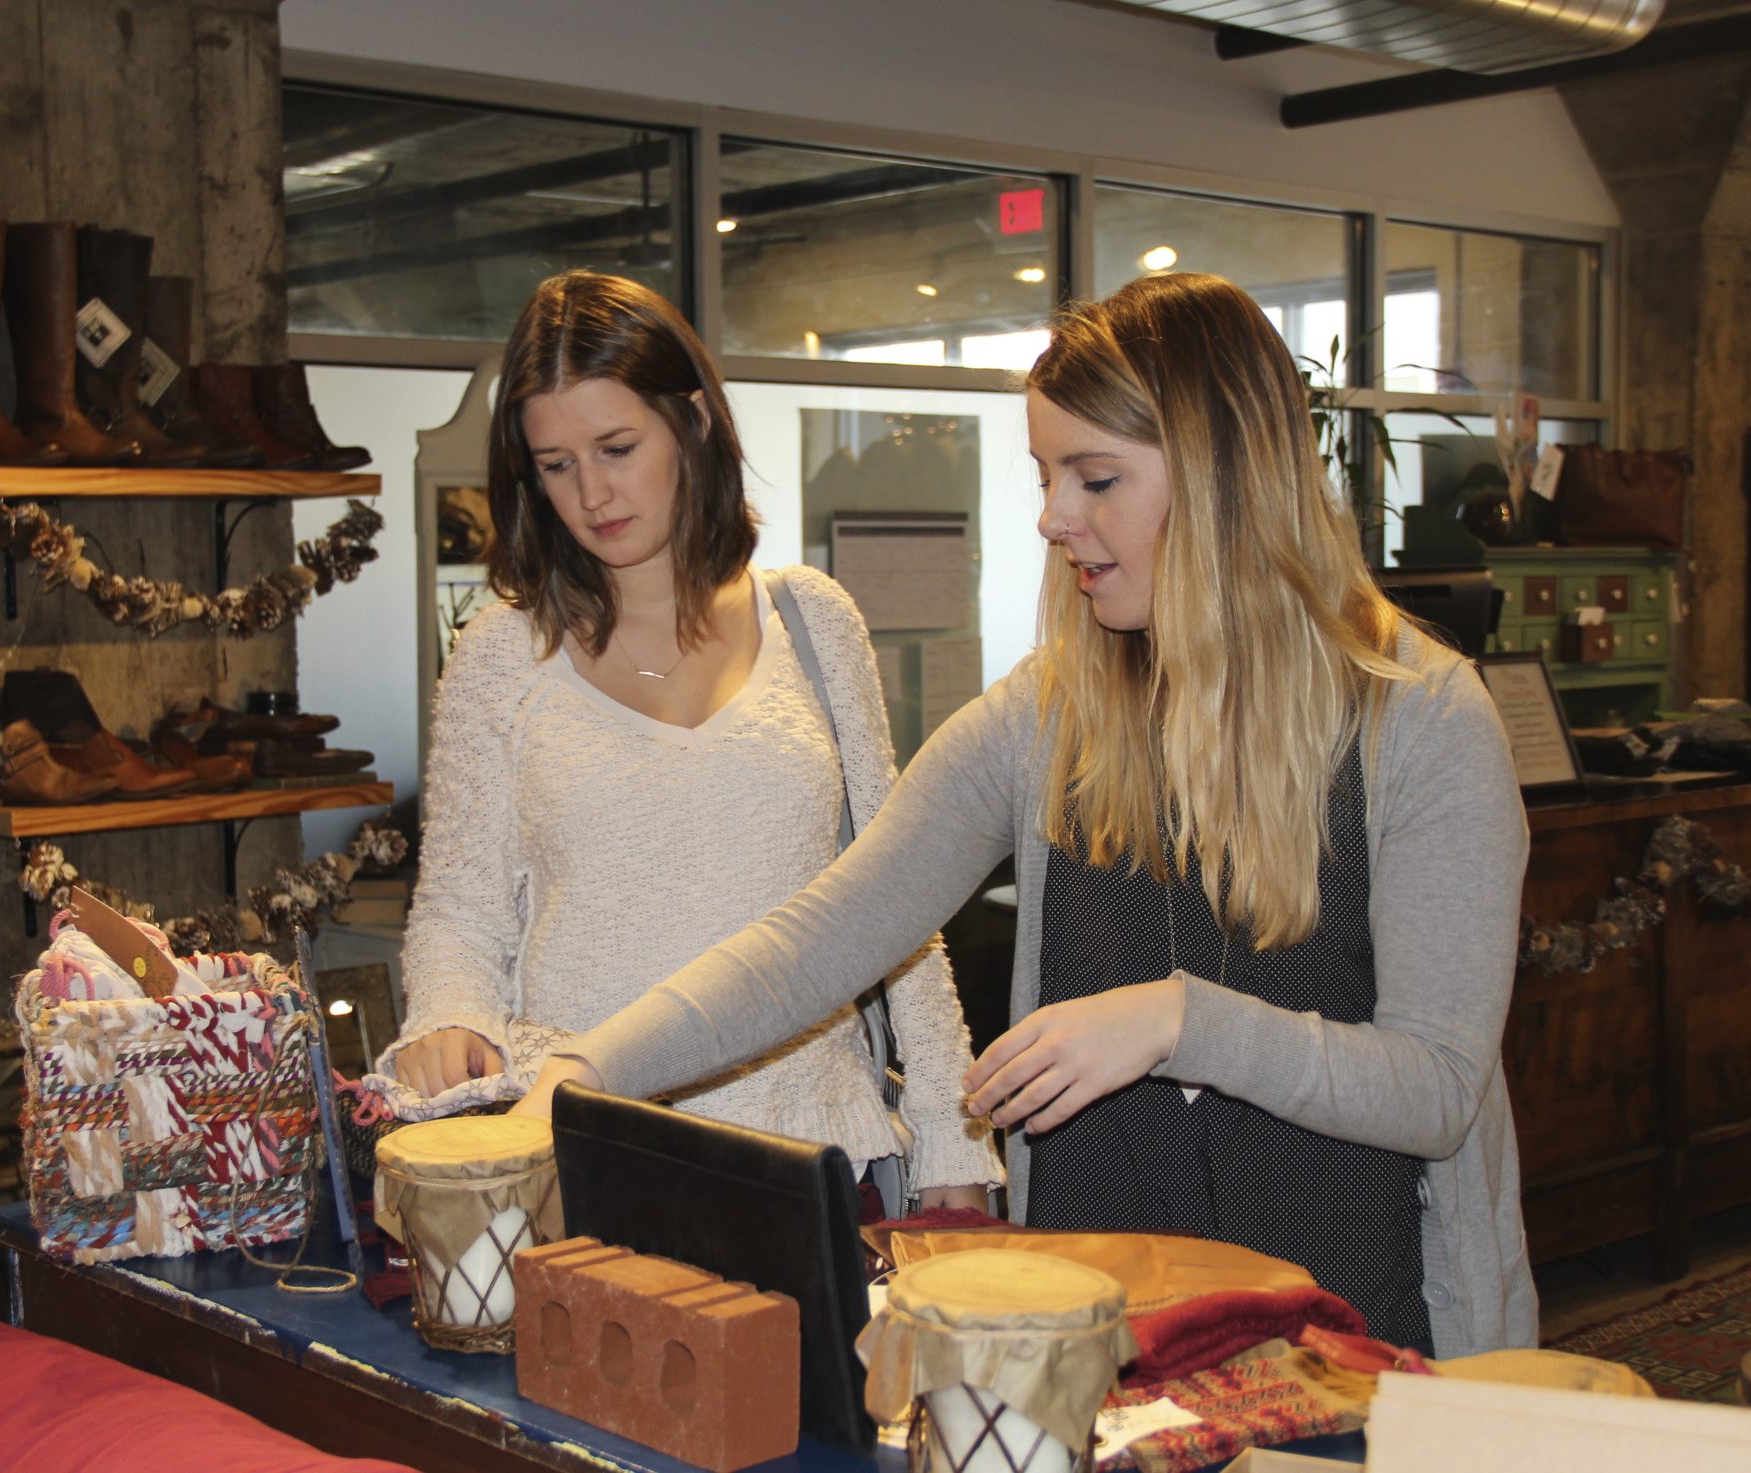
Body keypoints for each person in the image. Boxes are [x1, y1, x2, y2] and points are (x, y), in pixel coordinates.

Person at [519, 273, 1535, 1359]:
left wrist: (1178, 1023)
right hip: (1092, 1349)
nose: (1053, 518)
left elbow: (1433, 1090)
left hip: (1358, 1349)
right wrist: (582, 1073)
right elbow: (813, 943)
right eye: (1048, 476)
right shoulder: (1044, 716)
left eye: (1094, 478)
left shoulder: (1421, 722)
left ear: (1222, 474)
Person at [382, 271, 1000, 1212]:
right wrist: (448, 1016)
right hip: (587, 1148)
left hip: (814, 1149)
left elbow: (896, 903)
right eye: (554, 464)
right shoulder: (504, 652)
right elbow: (460, 911)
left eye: (617, 447)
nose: (591, 492)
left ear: (694, 420)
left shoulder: (812, 623)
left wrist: (956, 1145)